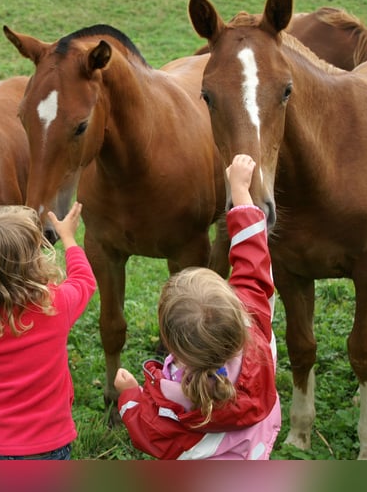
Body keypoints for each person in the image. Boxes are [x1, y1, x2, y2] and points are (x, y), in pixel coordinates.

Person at [115, 154, 281, 460]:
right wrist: (241, 193)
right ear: (236, 307)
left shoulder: (169, 399)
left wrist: (129, 397)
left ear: (169, 340)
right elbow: (252, 258)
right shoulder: (254, 324)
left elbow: (148, 432)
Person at [0, 202, 97, 460]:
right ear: (34, 263)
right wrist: (68, 239)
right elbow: (84, 281)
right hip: (52, 443)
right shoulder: (56, 306)